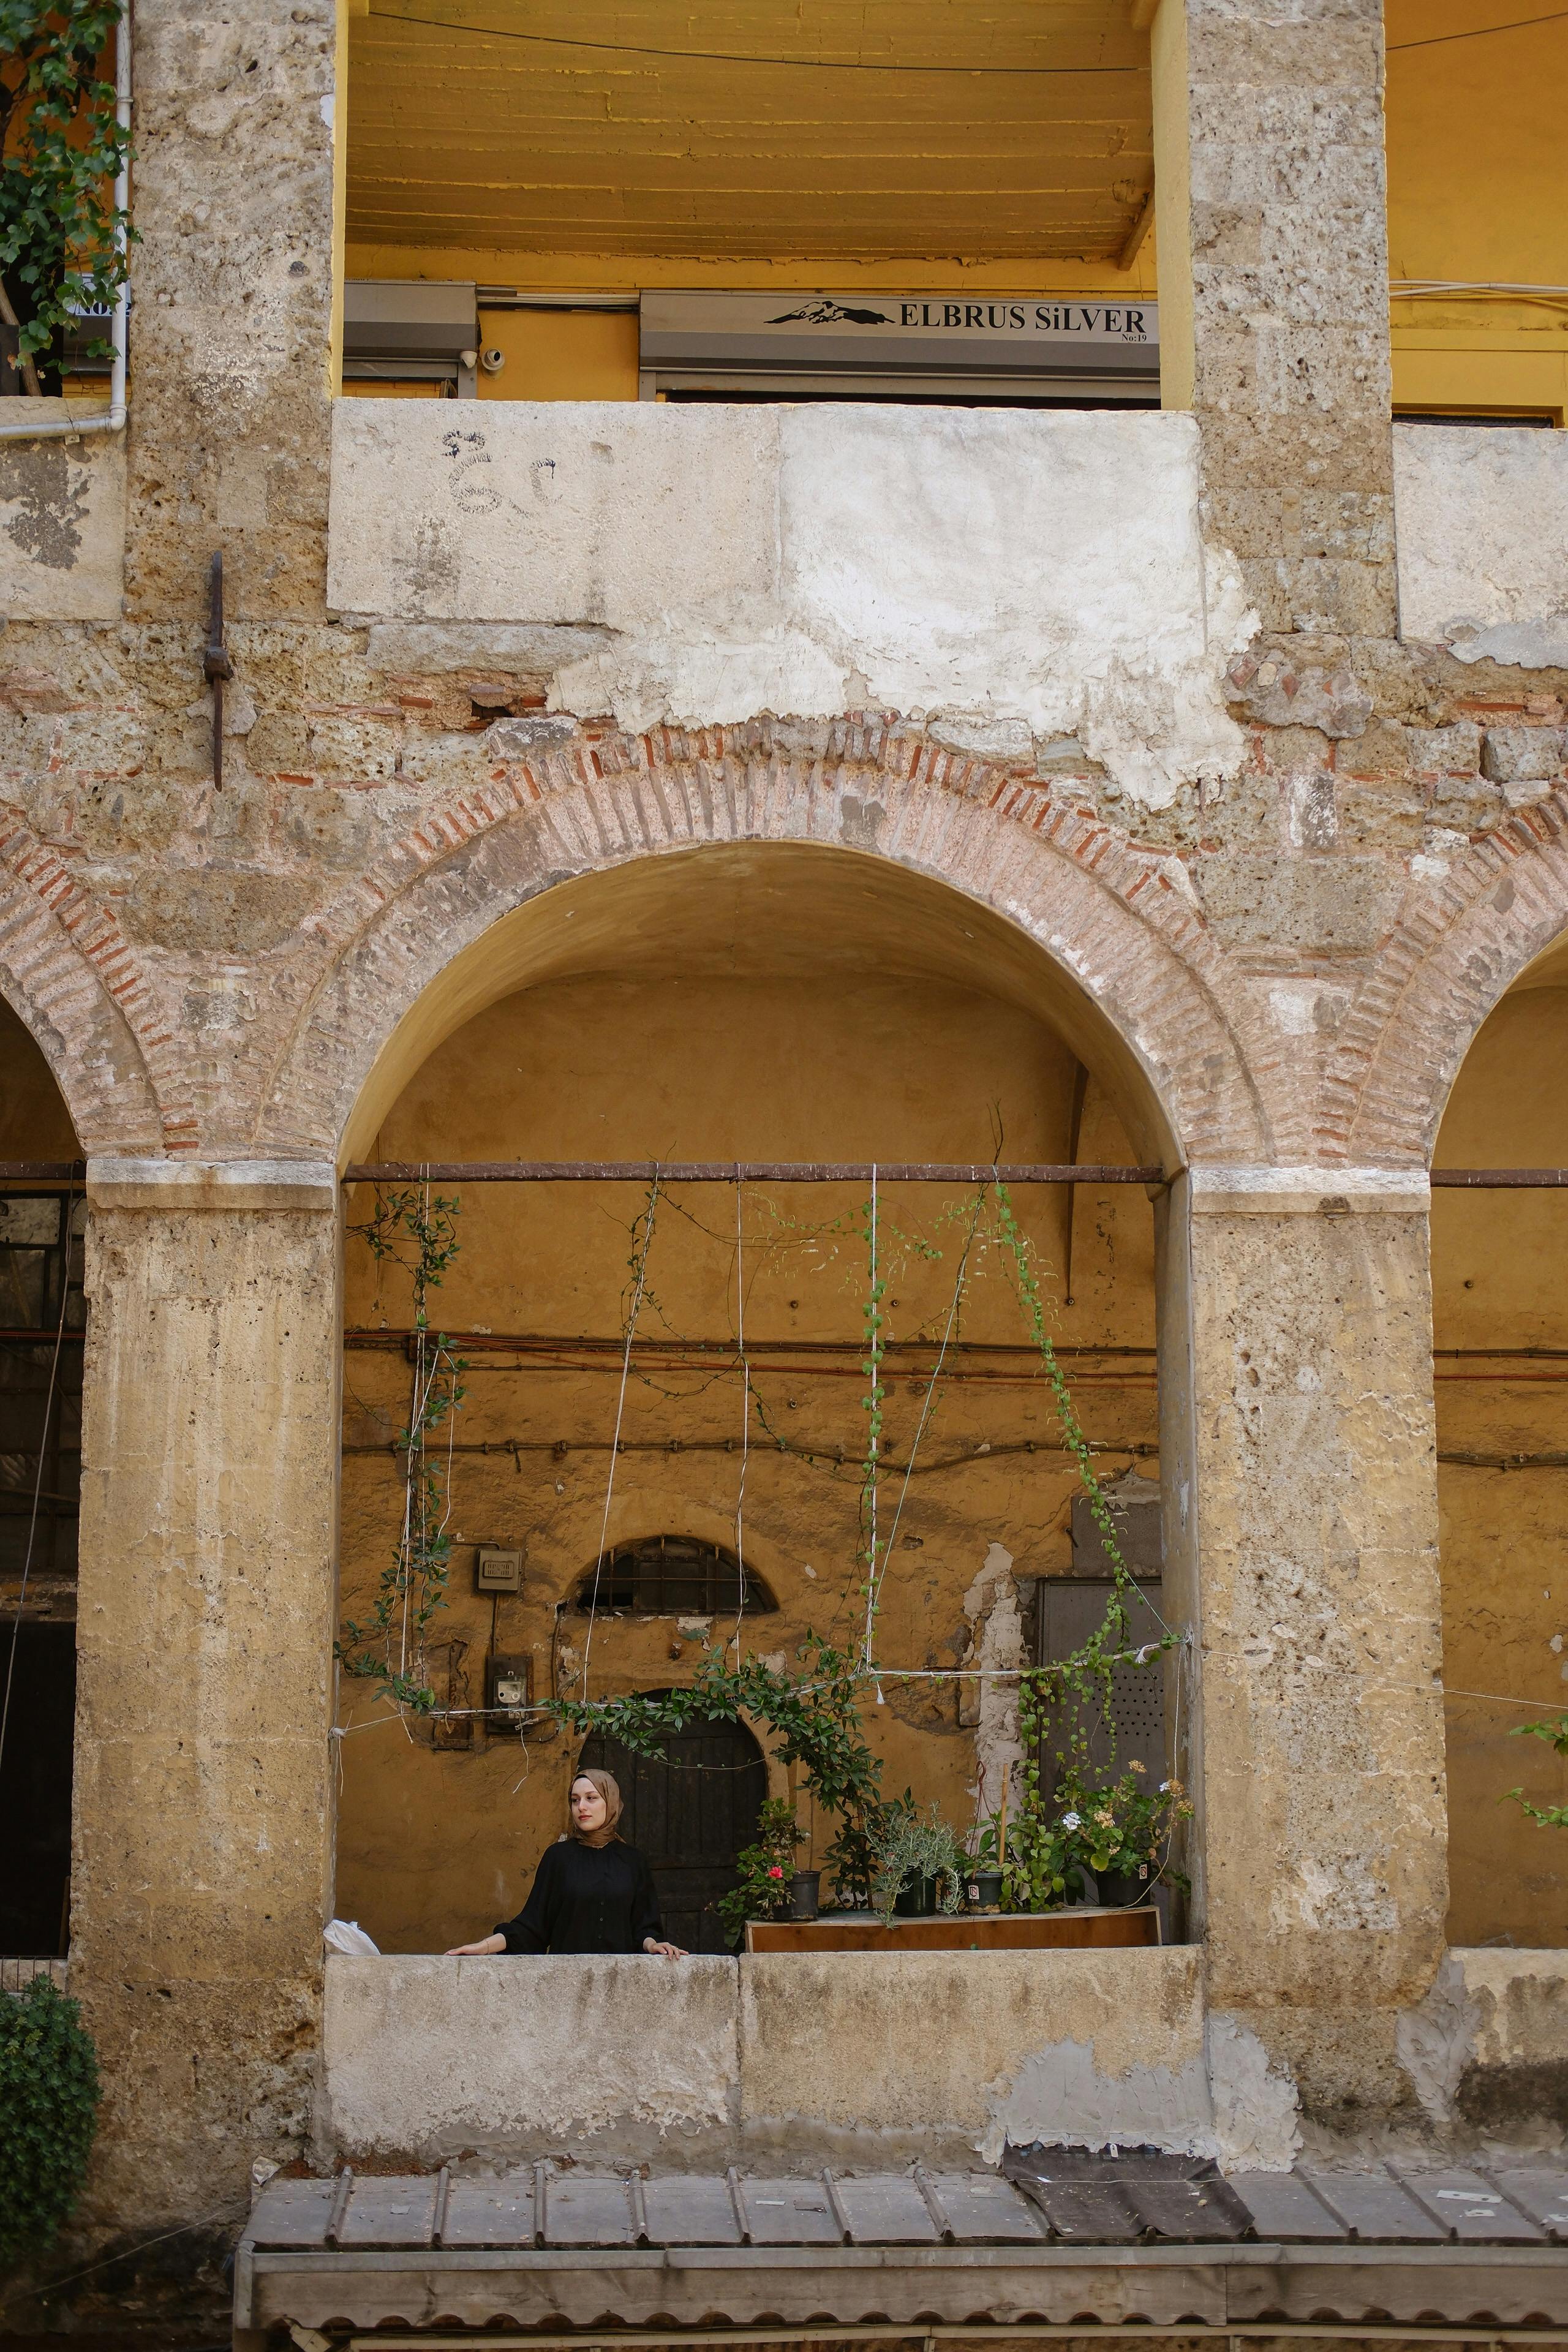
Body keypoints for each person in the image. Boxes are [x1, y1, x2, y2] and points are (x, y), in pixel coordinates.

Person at [446, 1768, 687, 1958]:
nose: (581, 1807)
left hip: (620, 1986)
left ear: (610, 1803)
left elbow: (644, 1927)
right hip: (566, 1984)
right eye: (575, 1800)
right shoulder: (559, 1857)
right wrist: (483, 1947)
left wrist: (654, 1945)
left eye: (591, 1798)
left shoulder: (633, 1861)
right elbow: (532, 1927)